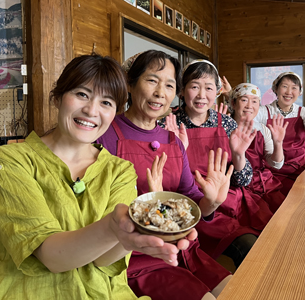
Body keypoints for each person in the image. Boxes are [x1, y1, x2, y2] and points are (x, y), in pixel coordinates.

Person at [0, 54, 193, 300]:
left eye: (106, 102)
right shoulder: (9, 162)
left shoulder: (120, 171)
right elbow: (52, 258)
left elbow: (103, 260)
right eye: (82, 94)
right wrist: (113, 226)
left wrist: (131, 238)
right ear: (58, 97)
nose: (92, 111)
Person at [97, 50, 233, 300]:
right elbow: (97, 209)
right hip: (137, 258)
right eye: (152, 81)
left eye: (169, 85)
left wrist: (210, 202)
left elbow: (189, 198)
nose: (161, 92)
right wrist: (150, 206)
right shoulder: (105, 135)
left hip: (185, 251)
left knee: (237, 289)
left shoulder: (172, 140)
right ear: (130, 83)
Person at [159, 60, 265, 265]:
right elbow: (161, 181)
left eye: (208, 88)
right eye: (194, 86)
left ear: (217, 91)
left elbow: (244, 180)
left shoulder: (226, 122)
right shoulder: (167, 123)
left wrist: (238, 155)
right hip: (183, 207)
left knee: (252, 249)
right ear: (182, 91)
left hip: (223, 207)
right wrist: (177, 152)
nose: (201, 95)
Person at [229, 83, 288, 213]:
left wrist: (278, 143)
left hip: (262, 183)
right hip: (234, 186)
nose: (250, 106)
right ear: (233, 103)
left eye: (255, 101)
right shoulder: (225, 128)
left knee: (285, 212)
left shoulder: (262, 129)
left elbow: (276, 164)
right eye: (244, 100)